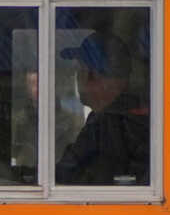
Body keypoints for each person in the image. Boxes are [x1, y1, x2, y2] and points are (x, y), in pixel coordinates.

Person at [55, 26, 151, 186]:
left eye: (79, 70)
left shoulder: (106, 122)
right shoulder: (145, 115)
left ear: (93, 75)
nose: (77, 77)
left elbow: (64, 174)